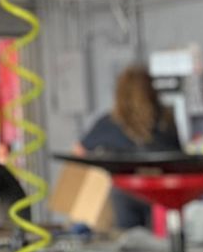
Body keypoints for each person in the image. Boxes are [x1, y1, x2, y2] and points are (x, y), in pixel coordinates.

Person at [78, 63, 182, 230]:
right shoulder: (166, 120)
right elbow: (178, 155)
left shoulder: (110, 122)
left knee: (129, 244)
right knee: (160, 246)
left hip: (125, 190)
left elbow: (79, 152)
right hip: (161, 192)